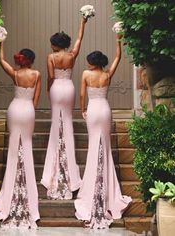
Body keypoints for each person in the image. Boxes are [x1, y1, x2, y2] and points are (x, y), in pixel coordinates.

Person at [74, 34, 132, 229]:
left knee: (94, 147)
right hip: (105, 110)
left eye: (89, 61)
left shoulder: (85, 74)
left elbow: (82, 94)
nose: (87, 63)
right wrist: (117, 39)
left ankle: (91, 188)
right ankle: (109, 191)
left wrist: (82, 109)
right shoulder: (107, 75)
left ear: (93, 62)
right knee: (104, 147)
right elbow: (118, 58)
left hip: (92, 109)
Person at [0, 40, 41, 228]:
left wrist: (1, 43)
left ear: (22, 59)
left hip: (14, 109)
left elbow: (1, 60)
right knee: (26, 147)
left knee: (14, 149)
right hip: (28, 110)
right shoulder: (37, 74)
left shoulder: (15, 74)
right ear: (32, 60)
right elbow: (36, 100)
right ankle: (29, 195)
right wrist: (31, 111)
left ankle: (8, 194)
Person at [40, 17, 88, 200]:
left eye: (52, 43)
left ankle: (53, 163)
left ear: (55, 44)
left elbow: (51, 77)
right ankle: (72, 174)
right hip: (68, 87)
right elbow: (79, 40)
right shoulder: (71, 55)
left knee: (56, 122)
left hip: (56, 88)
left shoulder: (51, 57)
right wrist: (82, 23)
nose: (50, 45)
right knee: (67, 121)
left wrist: (48, 88)